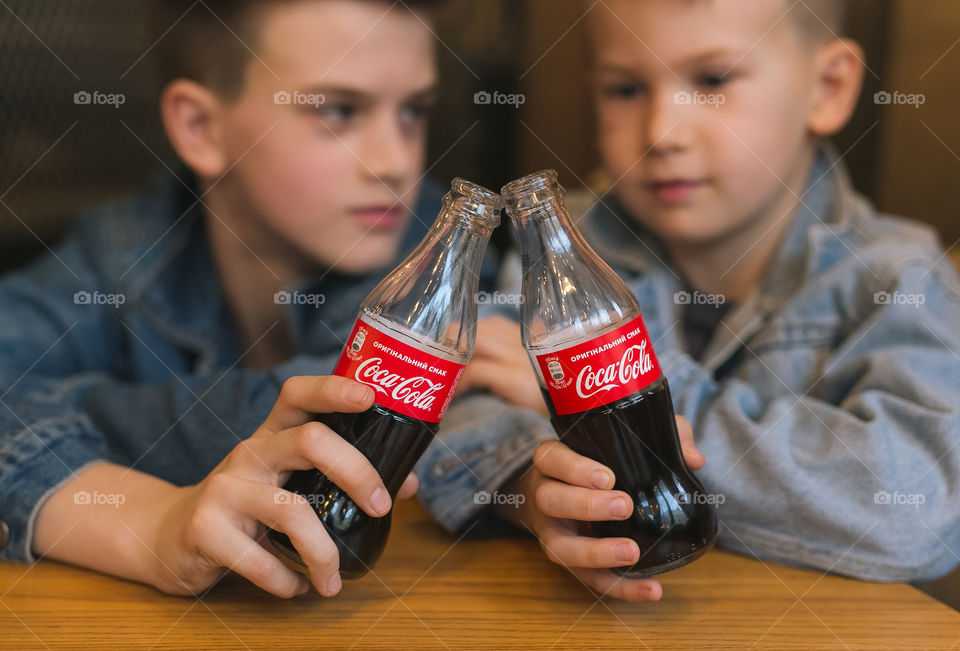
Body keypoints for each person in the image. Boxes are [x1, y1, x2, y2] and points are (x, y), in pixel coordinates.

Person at [417, 0, 960, 602]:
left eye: (712, 81)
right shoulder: (567, 243)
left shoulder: (896, 274)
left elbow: (915, 505)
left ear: (827, 88)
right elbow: (466, 392)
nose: (661, 134)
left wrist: (629, 398)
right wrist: (533, 488)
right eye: (625, 89)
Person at [0, 0, 487, 599]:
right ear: (200, 128)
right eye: (338, 111)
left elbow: (341, 414)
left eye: (413, 111)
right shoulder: (122, 250)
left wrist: (63, 412)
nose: (395, 161)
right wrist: (150, 520)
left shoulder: (444, 262)